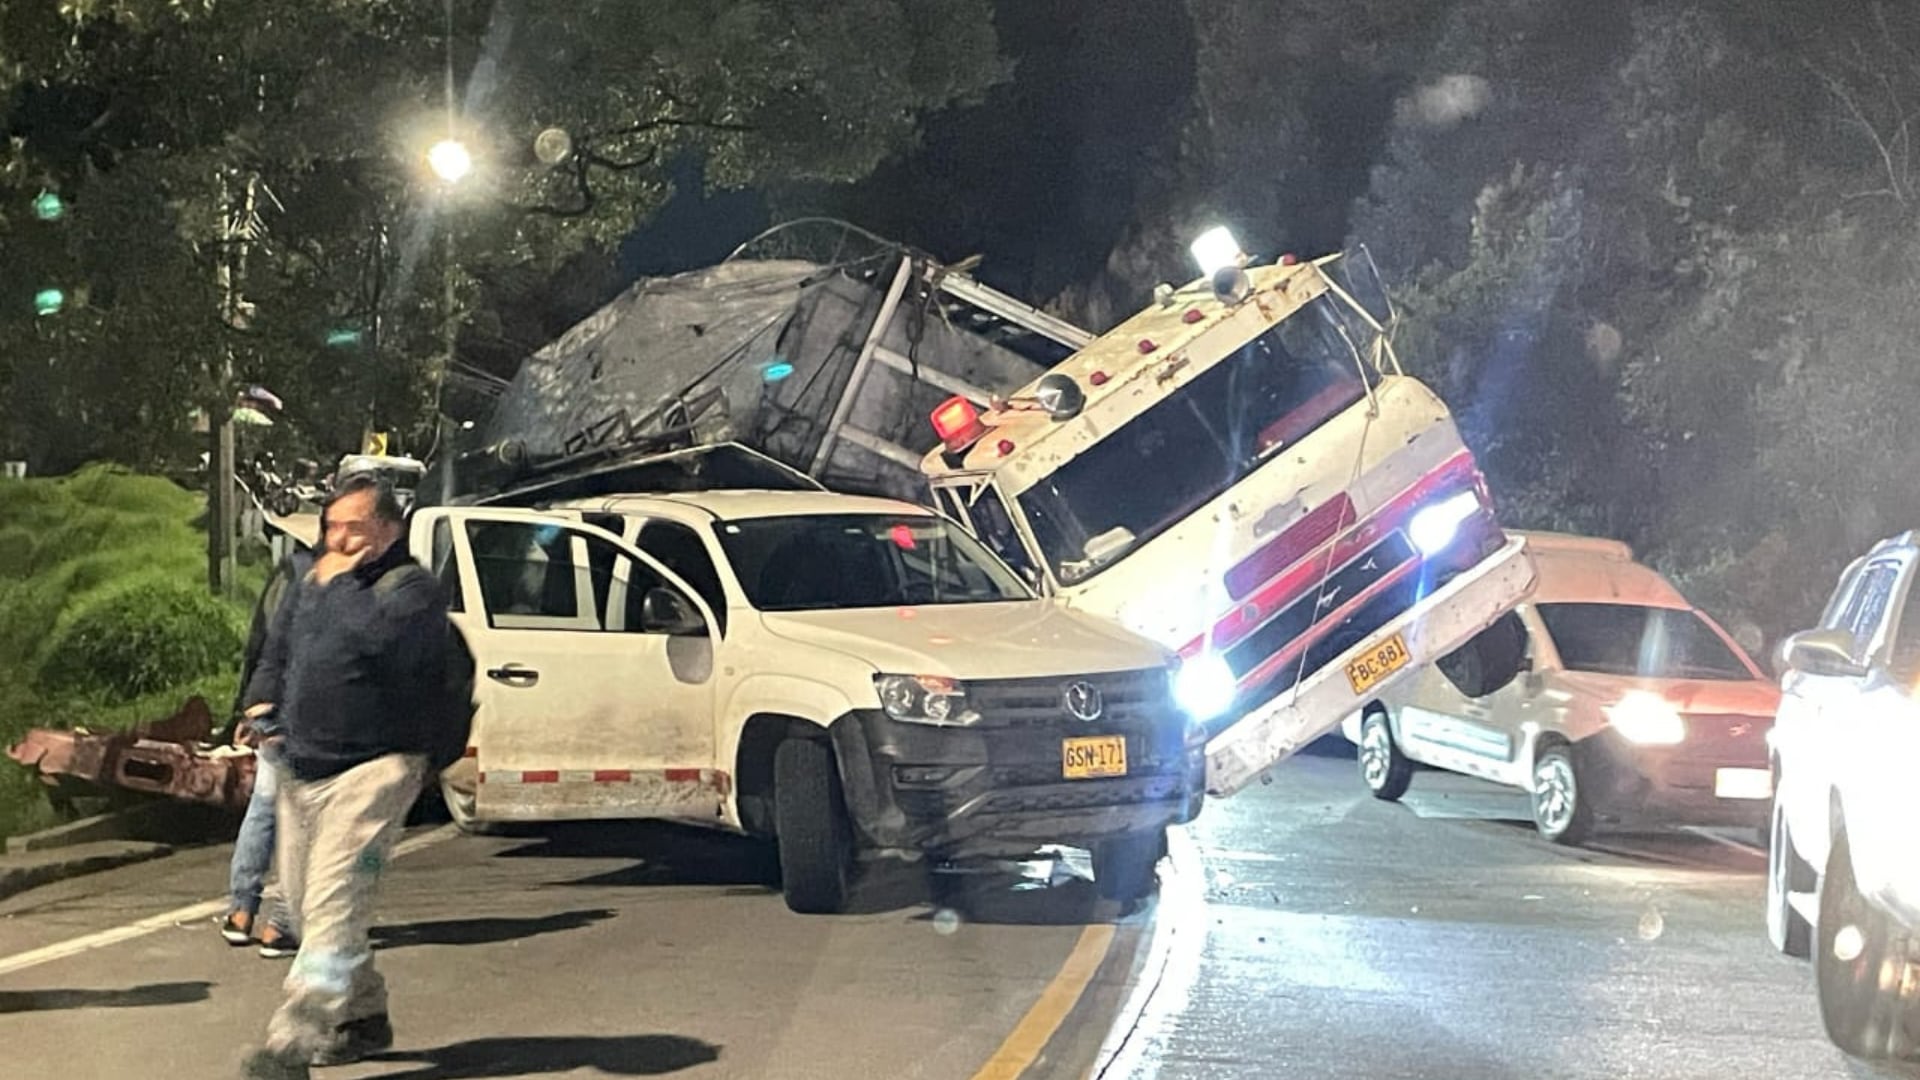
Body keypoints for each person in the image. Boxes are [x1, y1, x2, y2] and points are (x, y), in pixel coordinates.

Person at [240, 475, 450, 1080]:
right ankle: (362, 1015)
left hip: (379, 770)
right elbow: (279, 648)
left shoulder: (412, 589)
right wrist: (259, 704)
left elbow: (376, 641)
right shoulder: (314, 582)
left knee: (334, 908)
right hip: (304, 766)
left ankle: (290, 1046)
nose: (337, 538)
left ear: (389, 529)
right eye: (330, 526)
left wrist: (335, 585)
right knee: (307, 910)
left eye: (353, 527)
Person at [218, 523, 322, 959]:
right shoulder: (345, 581)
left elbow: (260, 642)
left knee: (265, 806)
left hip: (271, 703)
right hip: (312, 710)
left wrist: (247, 708)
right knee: (305, 817)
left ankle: (241, 911)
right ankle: (282, 922)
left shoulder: (289, 571)